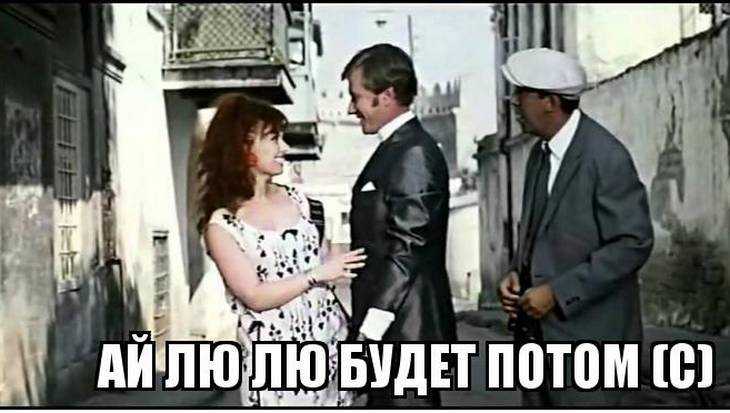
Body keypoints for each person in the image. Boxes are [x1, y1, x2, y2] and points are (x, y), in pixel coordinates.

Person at [496, 48, 654, 406]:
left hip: (592, 346)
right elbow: (540, 231)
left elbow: (632, 243)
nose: (514, 103)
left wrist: (557, 292)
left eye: (521, 94)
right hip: (539, 346)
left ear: (549, 102)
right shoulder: (539, 155)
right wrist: (518, 272)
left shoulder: (605, 156)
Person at [199, 93, 365, 406]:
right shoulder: (222, 226)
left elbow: (326, 265)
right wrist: (317, 274)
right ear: (244, 146)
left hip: (329, 357)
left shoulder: (303, 203)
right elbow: (254, 296)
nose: (285, 148)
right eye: (274, 138)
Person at [342, 43, 457, 407]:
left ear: (387, 95)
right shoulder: (394, 148)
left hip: (408, 334)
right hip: (394, 332)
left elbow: (408, 248)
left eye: (356, 97)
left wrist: (370, 329)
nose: (350, 108)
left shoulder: (413, 153)